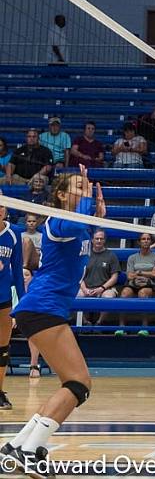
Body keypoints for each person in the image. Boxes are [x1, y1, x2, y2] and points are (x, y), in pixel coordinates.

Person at [0, 165, 104, 471]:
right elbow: (72, 222)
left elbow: (83, 228)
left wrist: (95, 211)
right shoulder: (59, 221)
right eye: (78, 186)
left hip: (46, 307)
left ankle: (17, 446)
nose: (85, 190)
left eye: (86, 186)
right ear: (60, 195)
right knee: (78, 383)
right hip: (43, 305)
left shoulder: (79, 226)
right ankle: (30, 451)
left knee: (70, 383)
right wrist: (87, 203)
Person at [0, 194, 27, 410]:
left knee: (2, 348)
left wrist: (24, 304)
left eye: (2, 205)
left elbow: (17, 272)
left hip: (4, 299)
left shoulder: (14, 233)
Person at [115, 233, 155, 336]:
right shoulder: (132, 258)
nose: (146, 241)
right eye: (143, 239)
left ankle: (144, 327)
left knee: (143, 293)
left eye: (148, 239)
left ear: (151, 241)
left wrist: (140, 273)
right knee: (124, 293)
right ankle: (121, 327)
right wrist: (142, 275)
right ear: (139, 242)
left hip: (150, 284)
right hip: (134, 283)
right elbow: (129, 276)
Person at [76, 230, 119, 327]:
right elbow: (79, 275)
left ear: (105, 240)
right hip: (86, 287)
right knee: (77, 295)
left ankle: (99, 323)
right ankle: (85, 322)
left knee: (108, 297)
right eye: (97, 239)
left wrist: (102, 288)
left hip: (105, 288)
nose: (99, 241)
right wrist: (84, 289)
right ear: (92, 240)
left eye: (101, 239)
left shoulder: (111, 255)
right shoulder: (85, 255)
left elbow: (114, 277)